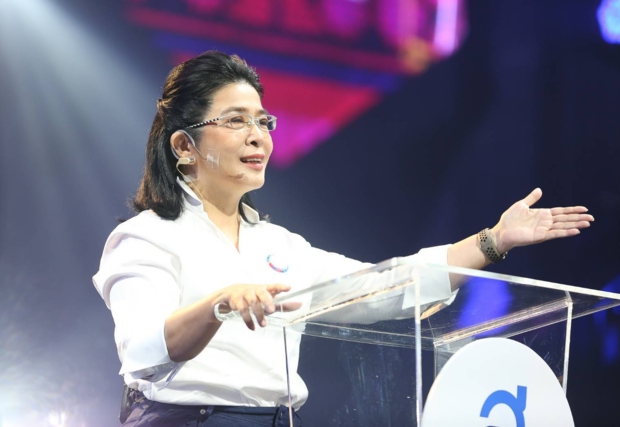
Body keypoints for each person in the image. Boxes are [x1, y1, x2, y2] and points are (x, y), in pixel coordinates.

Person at [93, 51, 594, 427]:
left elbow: (384, 287)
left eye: (263, 121)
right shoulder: (144, 238)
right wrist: (217, 305)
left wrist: (492, 241)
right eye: (236, 120)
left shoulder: (279, 246)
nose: (258, 135)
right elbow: (142, 349)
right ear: (184, 145)